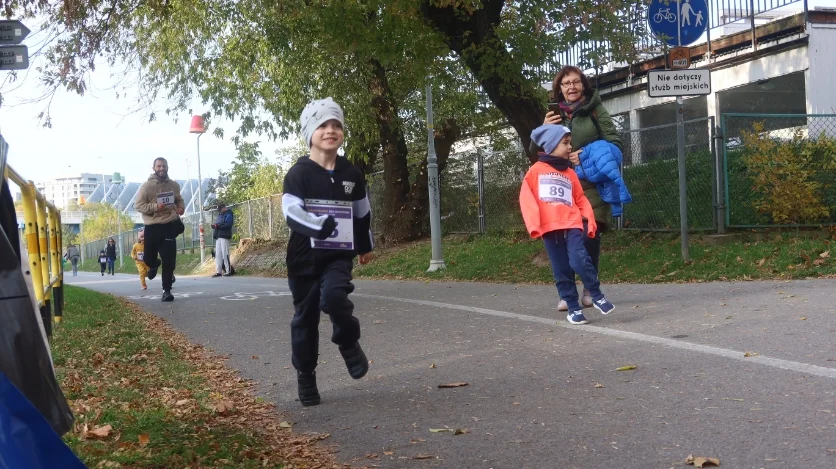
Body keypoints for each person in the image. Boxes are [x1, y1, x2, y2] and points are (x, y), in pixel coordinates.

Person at [282, 97, 375, 406]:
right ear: (310, 132)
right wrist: (315, 225)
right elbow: (291, 211)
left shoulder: (352, 173)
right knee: (304, 321)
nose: (331, 130)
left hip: (337, 255)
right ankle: (306, 376)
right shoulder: (298, 174)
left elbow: (362, 212)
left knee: (335, 297)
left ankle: (349, 342)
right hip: (303, 260)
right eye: (323, 125)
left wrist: (365, 246)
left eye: (336, 125)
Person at [532, 65, 623, 312]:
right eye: (565, 83)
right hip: (559, 186)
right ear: (559, 89)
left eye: (575, 82)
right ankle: (567, 293)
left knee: (587, 235)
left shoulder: (595, 109)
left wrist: (586, 154)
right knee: (560, 239)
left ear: (583, 84)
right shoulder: (553, 116)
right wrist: (542, 129)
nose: (571, 87)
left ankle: (590, 289)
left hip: (589, 184)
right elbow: (538, 153)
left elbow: (615, 143)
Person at [520, 124, 615, 324]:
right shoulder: (536, 170)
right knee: (561, 268)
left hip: (572, 223)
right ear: (551, 145)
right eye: (565, 143)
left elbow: (580, 199)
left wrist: (589, 220)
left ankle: (596, 294)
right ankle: (573, 307)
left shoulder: (571, 173)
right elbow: (526, 198)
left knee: (579, 259)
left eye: (570, 142)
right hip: (549, 227)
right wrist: (534, 225)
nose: (570, 147)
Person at [133, 157, 185, 302]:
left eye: (164, 166)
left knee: (169, 261)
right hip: (152, 226)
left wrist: (181, 207)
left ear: (167, 167)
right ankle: (154, 264)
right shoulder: (146, 187)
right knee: (148, 258)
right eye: (159, 166)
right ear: (154, 168)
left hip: (169, 225)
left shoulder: (174, 185)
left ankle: (166, 290)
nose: (162, 169)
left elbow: (179, 199)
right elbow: (138, 206)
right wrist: (155, 207)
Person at [211, 202, 234, 278]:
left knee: (225, 253)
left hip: (224, 236)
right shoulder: (220, 215)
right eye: (219, 210)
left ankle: (228, 270)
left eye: (221, 209)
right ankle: (219, 271)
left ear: (224, 207)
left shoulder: (228, 215)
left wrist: (218, 226)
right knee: (218, 254)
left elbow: (228, 224)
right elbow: (219, 224)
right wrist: (215, 226)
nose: (220, 211)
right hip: (218, 236)